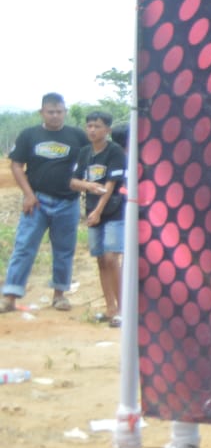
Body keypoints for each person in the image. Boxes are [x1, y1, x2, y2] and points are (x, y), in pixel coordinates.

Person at [3, 93, 88, 313]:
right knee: (24, 247)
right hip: (37, 202)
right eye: (50, 112)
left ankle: (60, 295)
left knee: (64, 250)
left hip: (68, 203)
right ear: (42, 112)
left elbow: (92, 158)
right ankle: (10, 297)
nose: (55, 116)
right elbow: (16, 165)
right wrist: (28, 194)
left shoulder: (77, 136)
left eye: (59, 111)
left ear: (65, 112)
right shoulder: (29, 135)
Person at [70, 111, 126, 326]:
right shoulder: (84, 153)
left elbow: (111, 185)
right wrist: (88, 185)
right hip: (93, 211)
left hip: (113, 212)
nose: (92, 130)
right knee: (101, 260)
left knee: (111, 258)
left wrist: (99, 210)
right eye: (90, 126)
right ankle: (110, 308)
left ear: (108, 130)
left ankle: (122, 309)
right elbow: (73, 181)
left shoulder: (114, 152)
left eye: (98, 126)